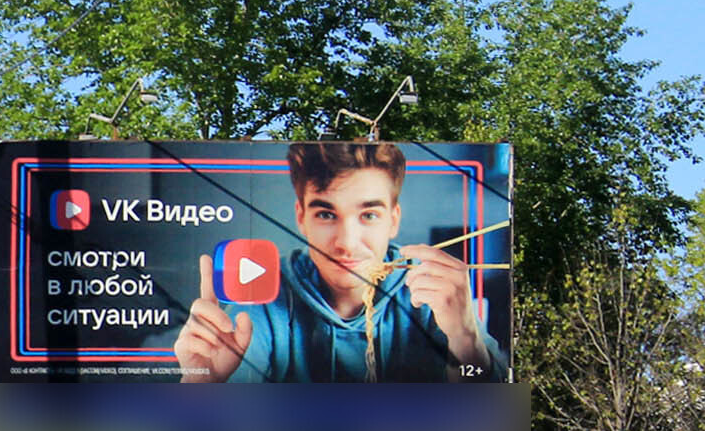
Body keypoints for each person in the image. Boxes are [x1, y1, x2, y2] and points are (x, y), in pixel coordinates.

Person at [173, 141, 506, 383]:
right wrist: (202, 385)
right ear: (301, 217)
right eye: (326, 214)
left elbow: (484, 418)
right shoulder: (262, 301)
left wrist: (466, 340)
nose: (347, 243)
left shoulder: (434, 297)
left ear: (393, 220)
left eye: (369, 214)